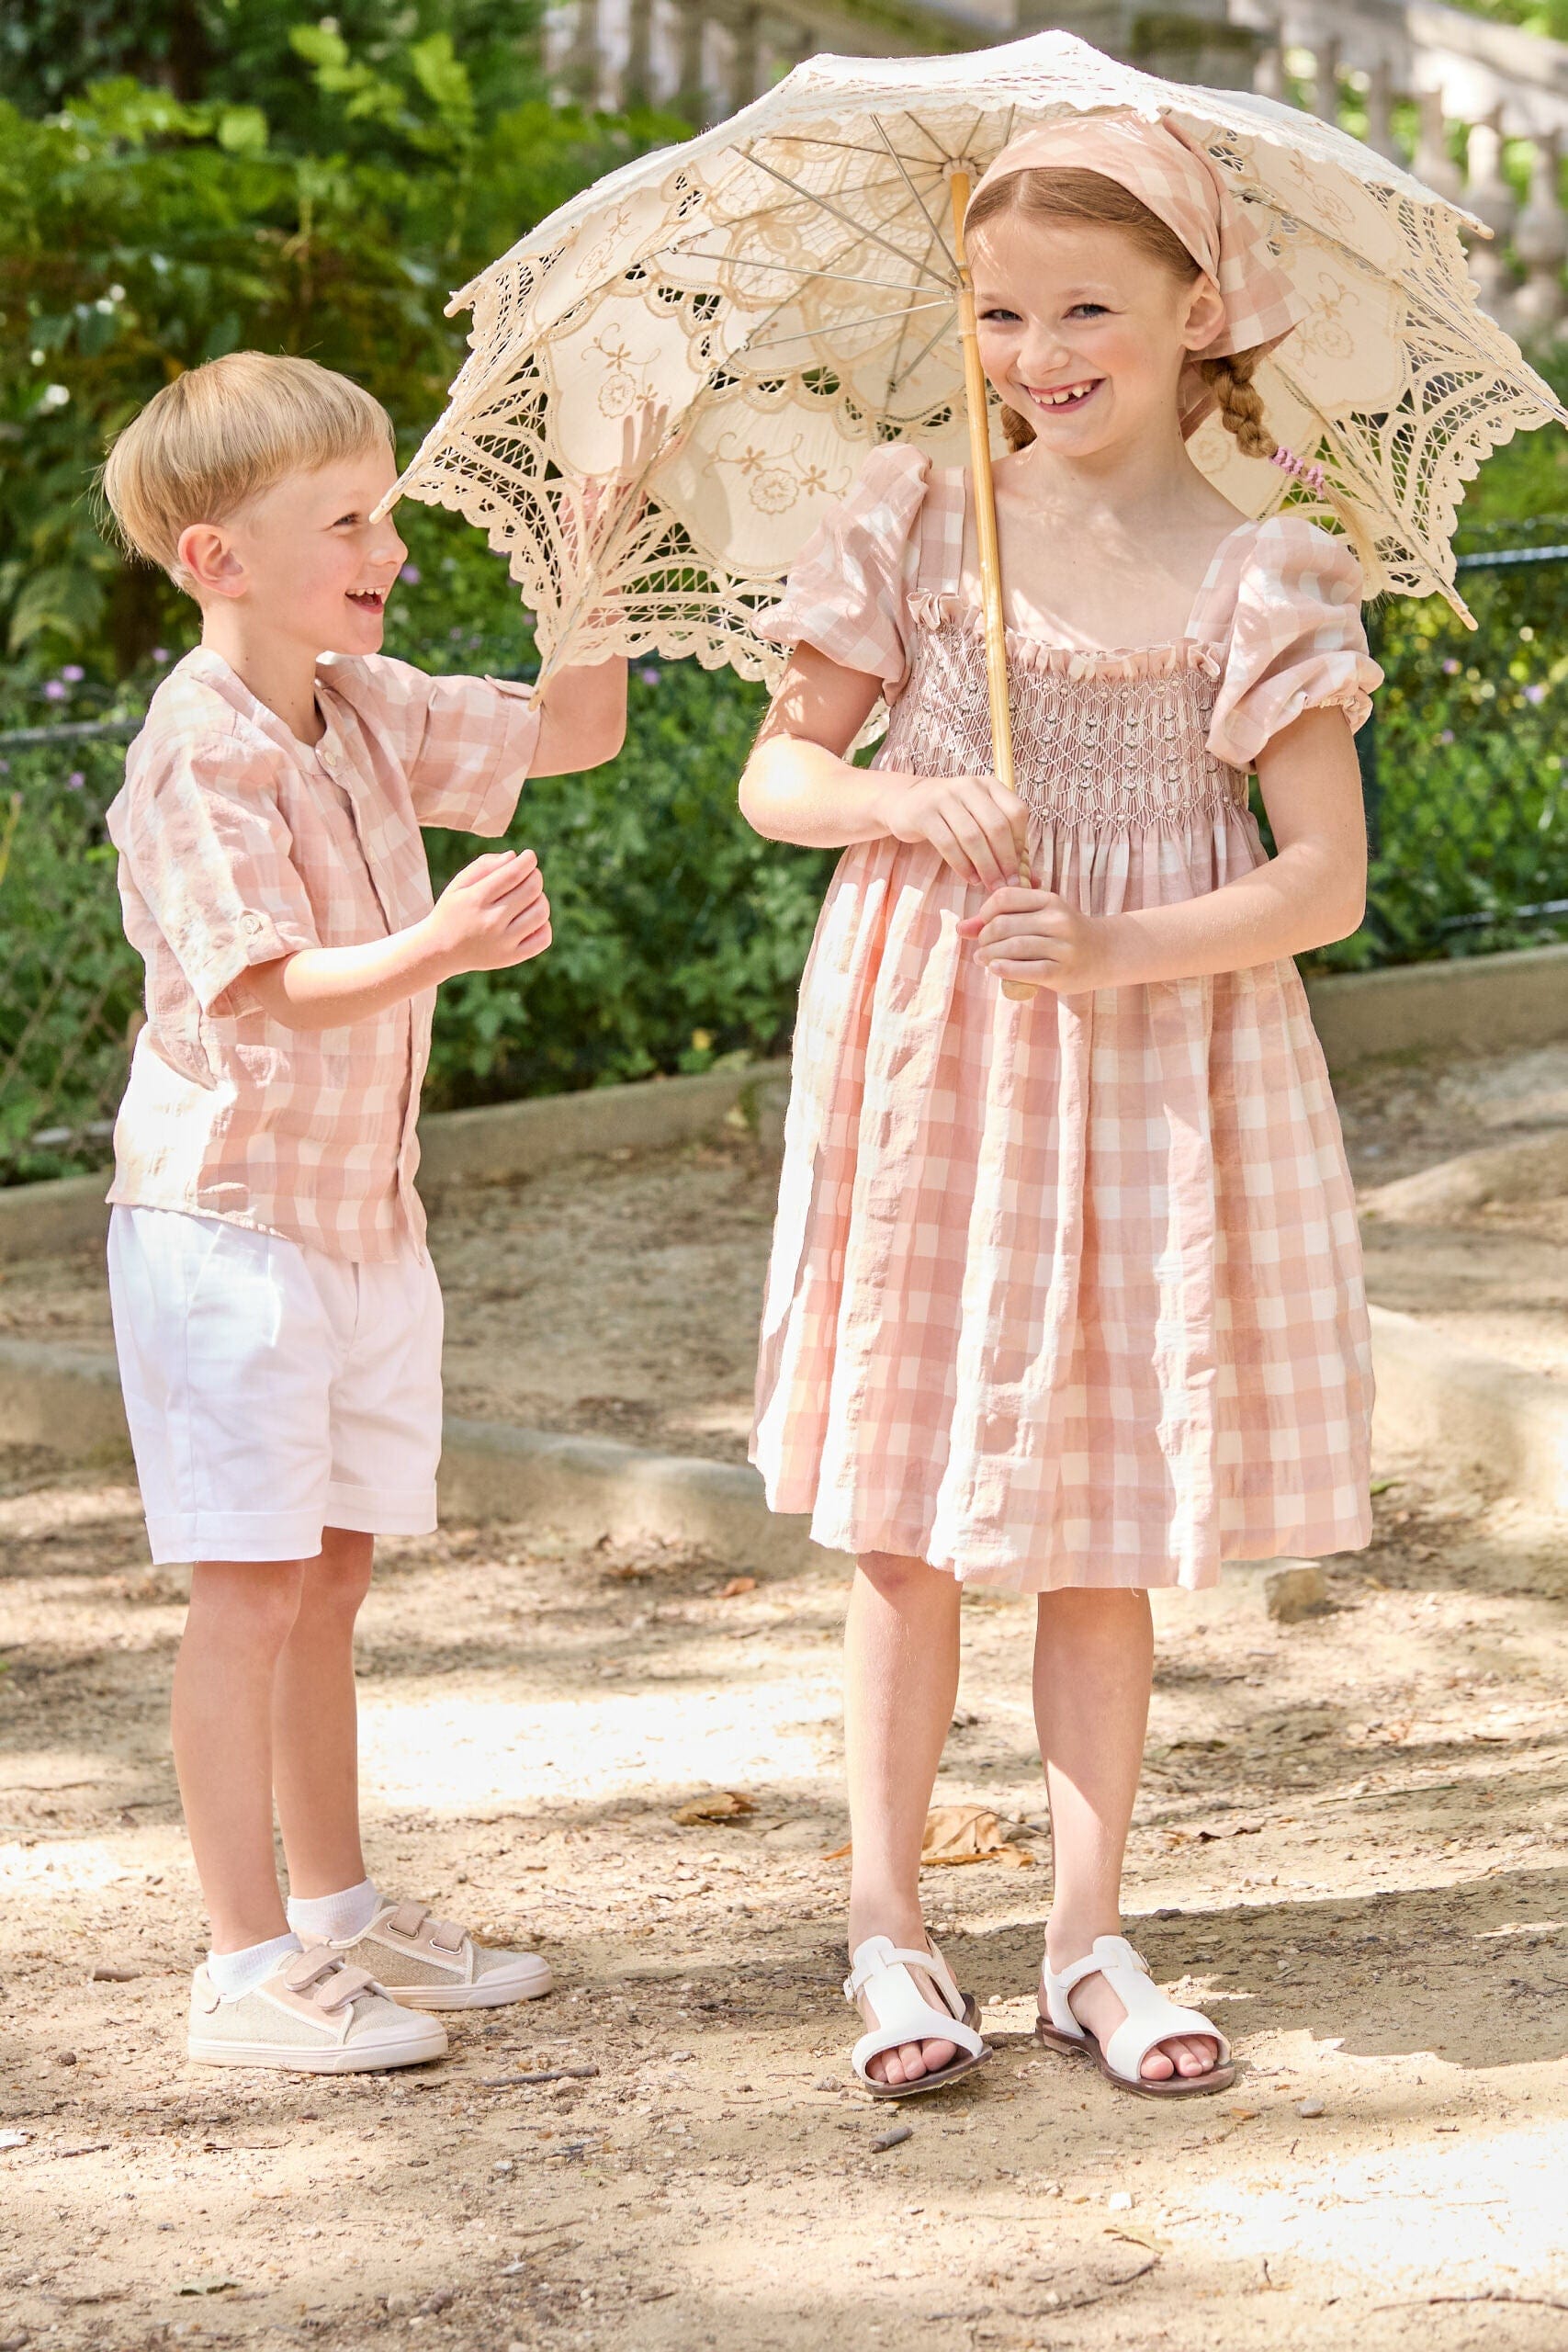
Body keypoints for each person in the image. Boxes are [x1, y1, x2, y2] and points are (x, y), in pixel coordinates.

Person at [739, 113, 1379, 2101]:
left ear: (1198, 313)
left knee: (1095, 1512)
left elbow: (1322, 879)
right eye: (999, 310)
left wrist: (1112, 949)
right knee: (907, 1512)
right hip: (931, 1042)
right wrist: (892, 796)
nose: (1035, 348)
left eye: (1084, 307)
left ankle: (1085, 1930)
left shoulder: (1255, 561)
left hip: (1140, 1053)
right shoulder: (921, 517)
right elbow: (774, 775)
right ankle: (886, 1928)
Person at [99, 351, 628, 2072]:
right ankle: (242, 1967)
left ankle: (335, 1921)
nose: (384, 540)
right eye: (346, 517)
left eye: (383, 506)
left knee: (326, 1580)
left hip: (360, 1222)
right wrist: (442, 945)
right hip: (232, 1230)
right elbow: (263, 987)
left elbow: (577, 729)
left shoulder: (366, 701)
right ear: (217, 560)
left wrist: (592, 547)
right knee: (248, 1591)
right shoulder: (203, 748)